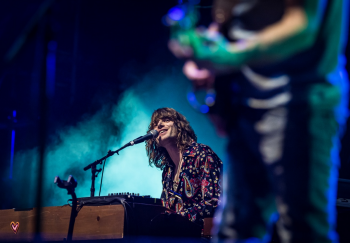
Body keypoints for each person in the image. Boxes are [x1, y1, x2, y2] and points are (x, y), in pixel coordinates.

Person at [168, 0, 349, 242]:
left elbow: (303, 24)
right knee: (234, 232)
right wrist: (212, 54)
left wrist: (231, 56)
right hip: (245, 105)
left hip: (300, 104)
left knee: (304, 232)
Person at [145, 107, 223, 226]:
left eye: (166, 120)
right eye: (154, 125)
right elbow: (167, 209)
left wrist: (177, 217)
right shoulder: (168, 171)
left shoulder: (201, 153)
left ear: (179, 126)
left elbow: (214, 202)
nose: (159, 125)